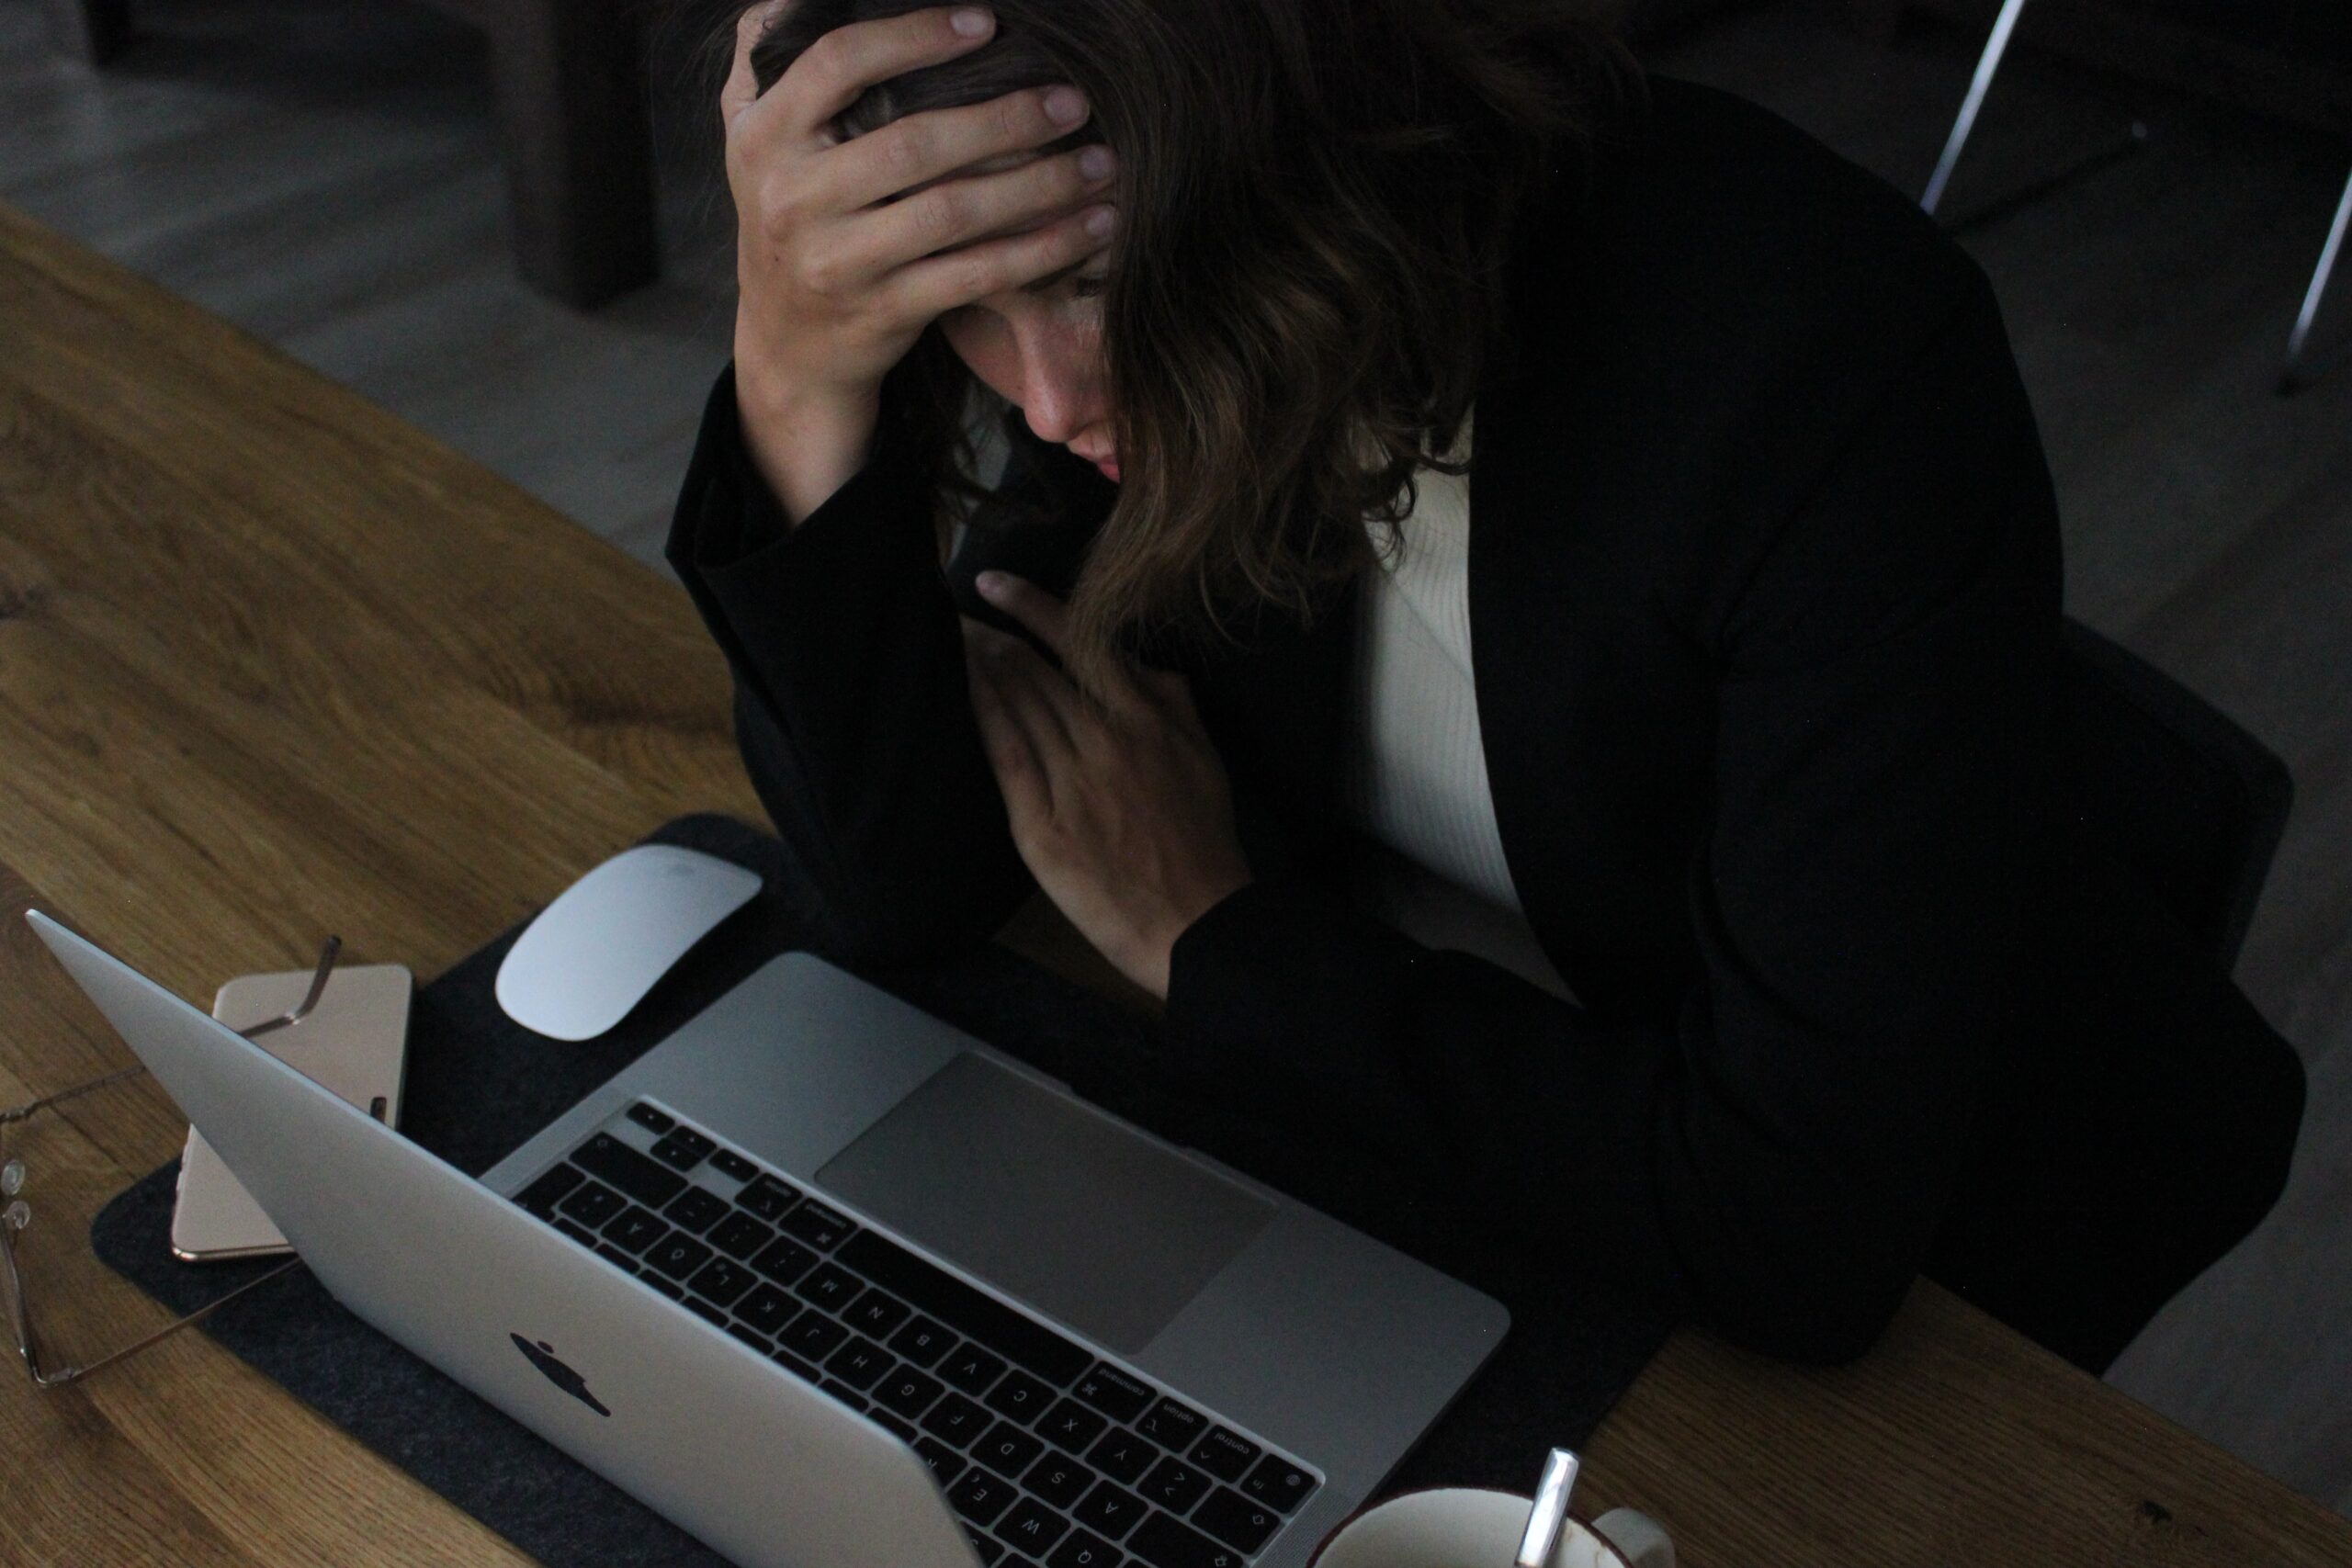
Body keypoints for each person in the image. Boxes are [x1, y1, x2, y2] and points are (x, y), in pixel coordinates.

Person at [667, 0, 2305, 1373]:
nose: (1045, 403)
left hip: (1909, 1286)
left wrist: (1209, 937)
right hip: (1440, 1153)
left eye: (1092, 291)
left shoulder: (1820, 357)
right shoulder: (1132, 303)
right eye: (960, 315)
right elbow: (907, 878)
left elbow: (1791, 1236)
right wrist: (795, 369)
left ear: (1287, 150)